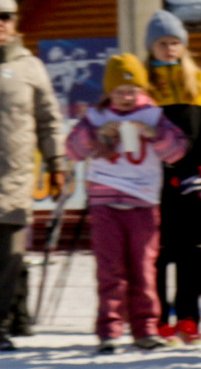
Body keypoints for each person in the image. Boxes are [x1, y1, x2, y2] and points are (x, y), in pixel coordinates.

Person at [65, 64, 187, 351]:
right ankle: (110, 330)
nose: (126, 97)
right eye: (120, 91)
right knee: (110, 268)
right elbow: (72, 150)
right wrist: (96, 134)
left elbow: (178, 151)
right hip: (104, 200)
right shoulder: (95, 116)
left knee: (143, 267)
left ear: (142, 91)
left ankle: (145, 328)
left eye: (132, 91)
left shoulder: (155, 115)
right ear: (109, 92)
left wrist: (153, 133)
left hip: (142, 200)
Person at [131, 13, 201, 341]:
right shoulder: (142, 85)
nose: (170, 49)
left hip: (193, 175)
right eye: (162, 43)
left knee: (191, 251)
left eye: (175, 43)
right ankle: (158, 317)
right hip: (153, 178)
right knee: (157, 252)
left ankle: (189, 317)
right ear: (151, 48)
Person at [0, 0, 61, 351]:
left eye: (5, 17)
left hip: (12, 180)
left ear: (15, 23)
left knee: (8, 266)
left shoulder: (31, 67)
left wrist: (57, 164)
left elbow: (49, 121)